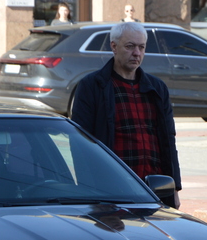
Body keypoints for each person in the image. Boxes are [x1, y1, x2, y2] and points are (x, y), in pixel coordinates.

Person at [69, 22, 181, 209]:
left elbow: (169, 140)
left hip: (154, 189)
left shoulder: (157, 88)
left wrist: (174, 187)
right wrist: (87, 190)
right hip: (111, 189)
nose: (137, 53)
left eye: (141, 47)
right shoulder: (92, 86)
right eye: (130, 46)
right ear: (114, 46)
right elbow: (80, 143)